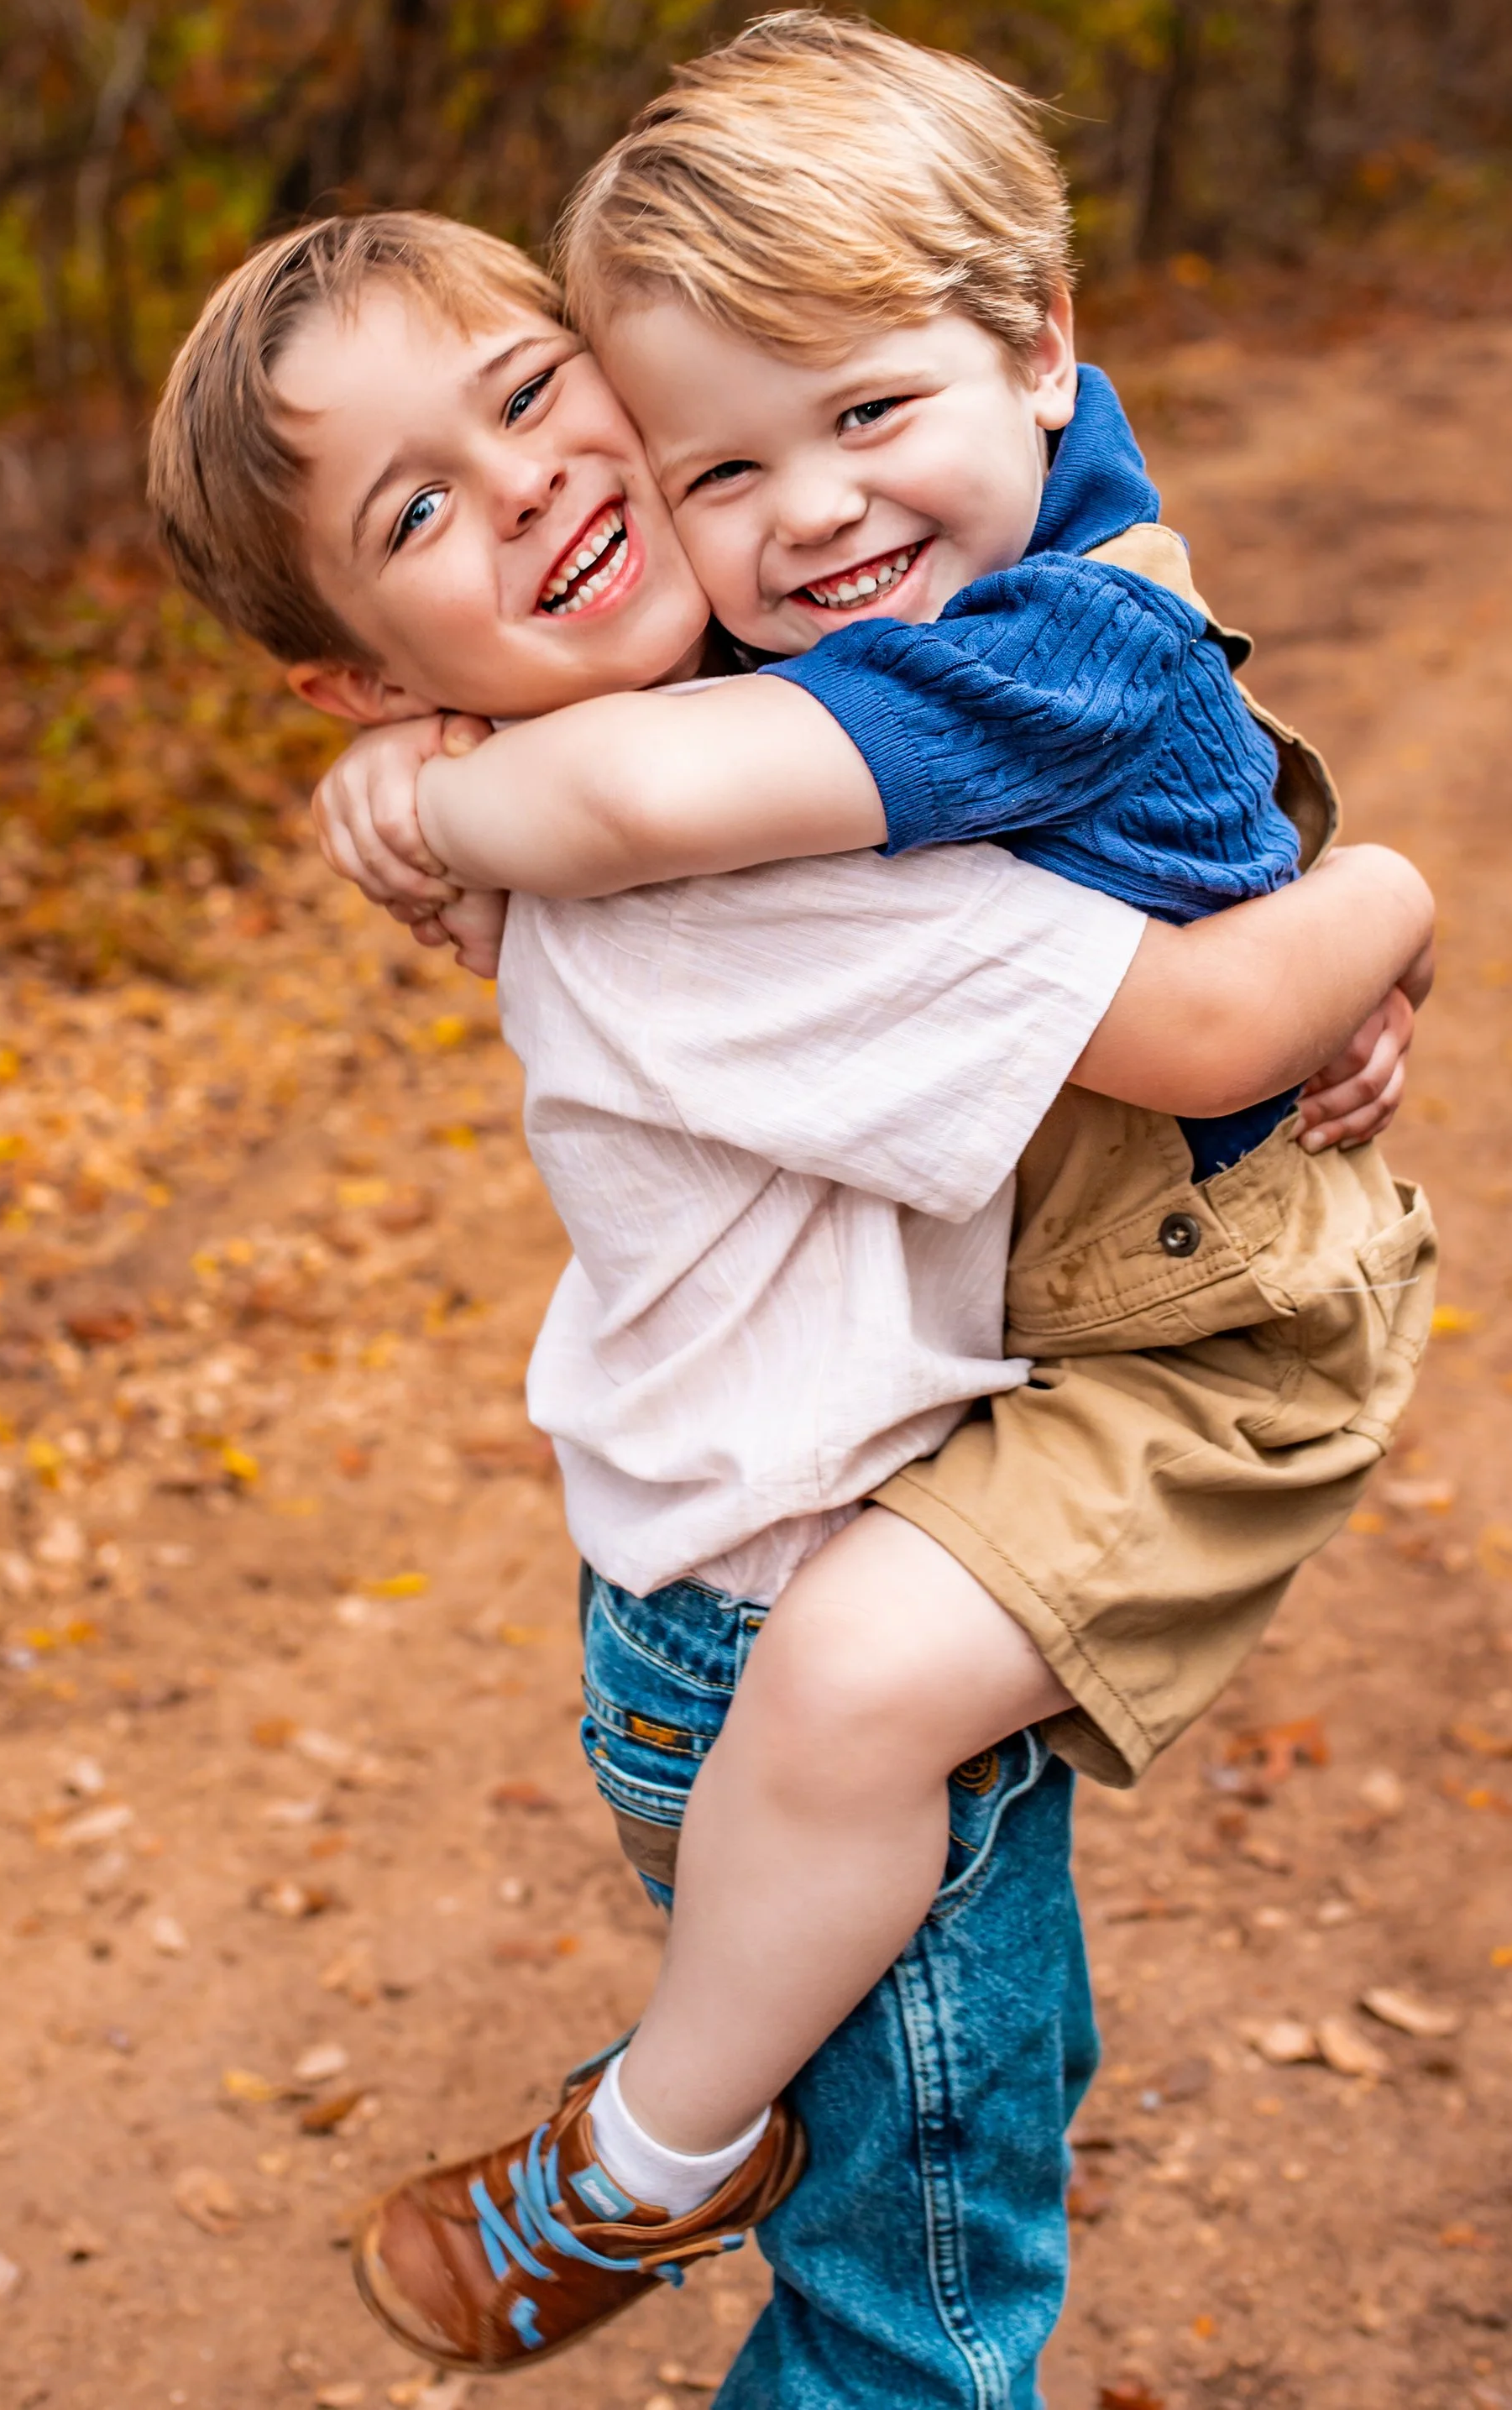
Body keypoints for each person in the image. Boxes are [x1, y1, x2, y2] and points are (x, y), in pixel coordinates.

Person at [150, 168, 1432, 2403]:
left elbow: (1060, 747)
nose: (534, 474)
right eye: (420, 508)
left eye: (534, 391)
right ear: (355, 668)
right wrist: (1391, 896)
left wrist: (438, 774)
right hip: (803, 1634)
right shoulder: (723, 887)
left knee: (933, 2130)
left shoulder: (719, 748)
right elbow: (1207, 1023)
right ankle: (640, 2157)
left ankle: (673, 2129)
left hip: (715, 1607)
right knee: (911, 2303)